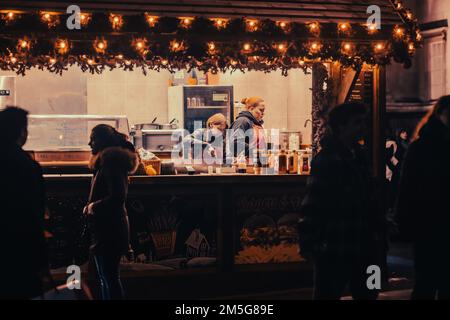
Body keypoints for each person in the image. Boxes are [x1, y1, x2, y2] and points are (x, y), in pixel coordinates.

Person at [298, 102, 385, 300]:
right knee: (328, 293)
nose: (363, 128)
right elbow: (313, 203)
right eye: (357, 123)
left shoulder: (361, 155)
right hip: (337, 245)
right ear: (340, 127)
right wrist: (308, 242)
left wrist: (380, 227)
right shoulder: (327, 159)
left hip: (366, 245)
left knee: (370, 293)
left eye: (363, 122)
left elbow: (370, 198)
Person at [396, 95, 450, 300]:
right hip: (429, 221)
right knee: (427, 280)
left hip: (432, 220)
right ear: (440, 114)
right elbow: (408, 185)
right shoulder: (422, 146)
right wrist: (404, 219)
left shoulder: (421, 146)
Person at [84, 124, 139, 300]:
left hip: (109, 229)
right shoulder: (108, 161)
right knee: (107, 278)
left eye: (92, 139)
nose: (89, 143)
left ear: (101, 141)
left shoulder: (110, 162)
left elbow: (117, 196)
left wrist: (92, 207)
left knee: (109, 278)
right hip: (109, 228)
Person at [0, 106, 48, 299]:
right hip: (20, 251)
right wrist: (41, 257)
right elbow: (33, 214)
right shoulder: (26, 165)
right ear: (21, 132)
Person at [229, 97, 266, 163]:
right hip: (244, 165)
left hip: (256, 164)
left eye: (264, 111)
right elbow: (235, 144)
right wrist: (256, 152)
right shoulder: (242, 121)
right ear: (251, 109)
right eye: (261, 110)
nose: (263, 113)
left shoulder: (256, 124)